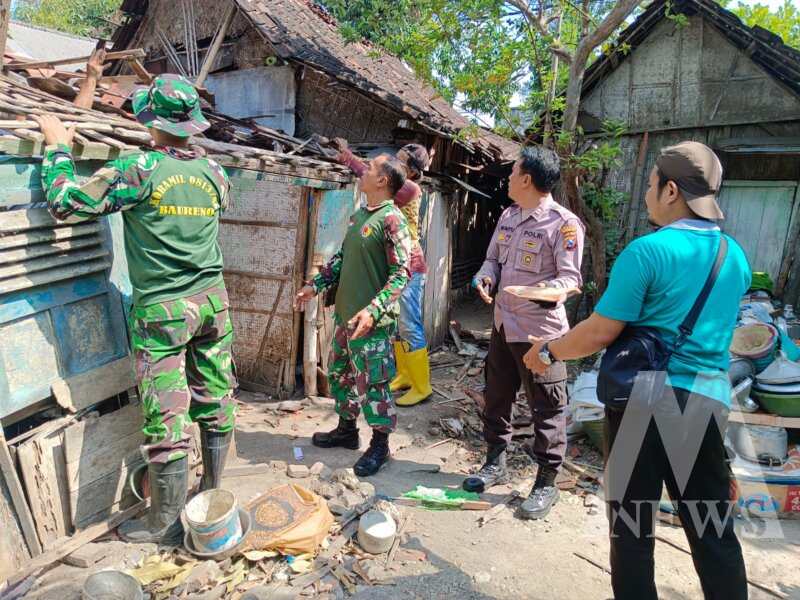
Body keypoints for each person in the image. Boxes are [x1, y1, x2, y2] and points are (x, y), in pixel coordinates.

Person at [523, 141, 750, 599]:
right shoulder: (735, 257)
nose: (647, 194)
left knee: (632, 528)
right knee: (712, 531)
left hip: (644, 401)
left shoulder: (647, 252)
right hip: (705, 400)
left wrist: (547, 352)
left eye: (650, 185)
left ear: (670, 190)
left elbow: (599, 332)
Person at [34, 74, 237, 545]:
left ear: (153, 119)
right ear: (191, 124)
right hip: (213, 302)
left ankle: (165, 523)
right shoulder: (216, 174)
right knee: (215, 397)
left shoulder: (138, 169)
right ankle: (211, 496)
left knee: (166, 413)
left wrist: (58, 148)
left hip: (164, 310)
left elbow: (66, 202)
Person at [465, 146, 584, 521]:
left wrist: (535, 292)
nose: (509, 178)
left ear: (527, 179)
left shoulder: (563, 224)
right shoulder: (509, 216)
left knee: (547, 407)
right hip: (503, 326)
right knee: (496, 396)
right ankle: (494, 462)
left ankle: (546, 483)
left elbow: (570, 279)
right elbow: (492, 260)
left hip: (541, 336)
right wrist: (485, 277)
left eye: (513, 172)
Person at [294, 155, 412, 476]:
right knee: (341, 375)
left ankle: (380, 445)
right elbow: (343, 258)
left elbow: (402, 274)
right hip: (347, 317)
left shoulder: (392, 220)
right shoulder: (361, 215)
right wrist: (315, 285)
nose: (364, 170)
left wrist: (373, 311)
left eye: (370, 167)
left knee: (375, 383)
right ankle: (347, 431)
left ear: (383, 181)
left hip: (371, 323)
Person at [333, 139, 433, 406]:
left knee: (410, 325)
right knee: (400, 326)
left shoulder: (410, 189)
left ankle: (423, 386)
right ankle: (404, 375)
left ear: (411, 171)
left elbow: (379, 178)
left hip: (410, 266)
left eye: (399, 161)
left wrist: (350, 159)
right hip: (399, 263)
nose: (393, 163)